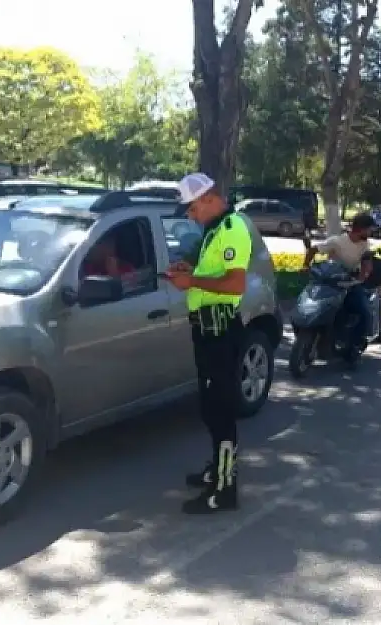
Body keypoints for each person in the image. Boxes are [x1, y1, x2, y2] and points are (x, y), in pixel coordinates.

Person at [165, 173, 253, 515]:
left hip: (219, 330)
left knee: (220, 410)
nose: (190, 215)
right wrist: (192, 270)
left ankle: (224, 490)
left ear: (208, 199)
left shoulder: (232, 228)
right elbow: (216, 274)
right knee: (210, 407)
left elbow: (234, 284)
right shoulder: (215, 230)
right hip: (206, 329)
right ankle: (217, 469)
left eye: (191, 208)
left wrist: (193, 280)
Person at [302, 212, 375, 365]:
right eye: (369, 230)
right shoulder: (337, 241)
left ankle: (354, 345)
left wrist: (363, 276)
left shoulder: (365, 245)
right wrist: (305, 265)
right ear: (361, 229)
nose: (370, 233)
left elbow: (366, 263)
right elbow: (313, 250)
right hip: (330, 282)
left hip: (350, 283)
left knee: (364, 311)